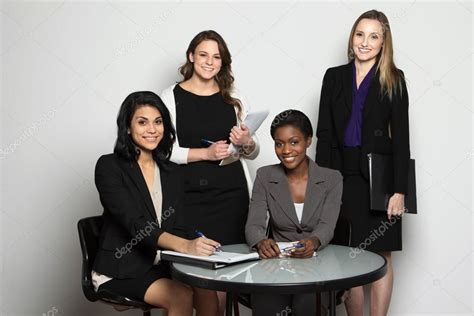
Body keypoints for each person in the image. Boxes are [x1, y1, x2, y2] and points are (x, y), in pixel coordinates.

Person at [315, 9, 410, 316]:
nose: (365, 42)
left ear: (384, 43)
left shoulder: (394, 79)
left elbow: (402, 139)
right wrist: (322, 186)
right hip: (341, 175)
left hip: (381, 179)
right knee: (349, 256)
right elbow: (325, 136)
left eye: (373, 36)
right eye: (360, 34)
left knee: (381, 255)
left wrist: (399, 190)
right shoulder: (333, 77)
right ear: (352, 38)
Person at [92, 91, 219, 316]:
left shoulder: (172, 171)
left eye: (158, 122)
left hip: (161, 264)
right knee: (180, 295)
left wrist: (200, 244)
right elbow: (135, 223)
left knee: (207, 289)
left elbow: (179, 222)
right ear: (128, 127)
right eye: (143, 122)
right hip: (123, 267)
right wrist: (184, 246)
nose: (152, 129)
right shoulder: (109, 167)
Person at [160, 30, 259, 314]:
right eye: (203, 55)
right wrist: (204, 153)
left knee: (231, 276)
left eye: (216, 57)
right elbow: (161, 149)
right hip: (189, 198)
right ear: (191, 57)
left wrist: (247, 143)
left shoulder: (234, 97)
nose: (209, 62)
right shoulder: (170, 96)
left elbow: (252, 152)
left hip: (233, 198)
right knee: (202, 280)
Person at [245, 109, 343, 315]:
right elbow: (254, 224)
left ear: (308, 140)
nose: (286, 150)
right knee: (267, 307)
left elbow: (327, 225)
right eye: (279, 144)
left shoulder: (332, 178)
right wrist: (261, 242)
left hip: (317, 266)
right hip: (275, 267)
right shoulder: (265, 176)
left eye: (294, 142)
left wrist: (313, 242)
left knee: (306, 306)